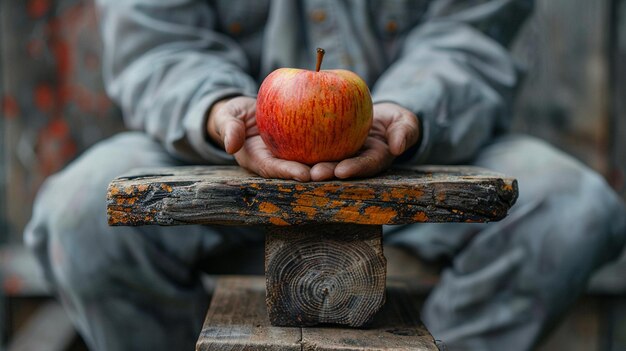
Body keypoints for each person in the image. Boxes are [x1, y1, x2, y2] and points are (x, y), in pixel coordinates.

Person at [25, 0, 626, 350]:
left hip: (417, 150)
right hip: (215, 149)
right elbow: (154, 47)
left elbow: (470, 36)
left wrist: (407, 113)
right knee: (78, 216)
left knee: (574, 209)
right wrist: (215, 111)